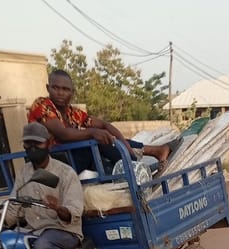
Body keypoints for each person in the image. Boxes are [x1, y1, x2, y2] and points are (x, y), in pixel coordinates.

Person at [0, 122, 104, 249]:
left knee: (44, 246)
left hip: (64, 231)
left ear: (48, 144)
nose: (31, 149)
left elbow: (74, 212)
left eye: (36, 144)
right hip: (33, 231)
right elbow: (12, 210)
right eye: (27, 145)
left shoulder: (65, 173)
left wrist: (58, 208)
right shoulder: (24, 174)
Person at [28, 69, 172, 175]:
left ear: (72, 92)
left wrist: (126, 147)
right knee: (97, 141)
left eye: (65, 89)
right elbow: (63, 134)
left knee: (106, 138)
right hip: (51, 162)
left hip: (70, 158)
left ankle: (145, 158)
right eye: (55, 88)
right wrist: (93, 133)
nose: (60, 93)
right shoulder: (42, 105)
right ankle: (135, 169)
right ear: (48, 88)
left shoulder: (73, 113)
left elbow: (105, 125)